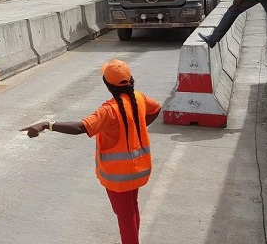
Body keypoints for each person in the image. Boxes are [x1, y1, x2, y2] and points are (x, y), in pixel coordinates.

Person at [20, 59, 161, 244]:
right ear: (130, 80)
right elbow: (156, 108)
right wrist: (138, 127)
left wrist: (47, 124)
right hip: (138, 171)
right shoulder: (139, 99)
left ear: (107, 85)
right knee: (131, 211)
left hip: (119, 176)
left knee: (125, 218)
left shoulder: (109, 110)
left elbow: (81, 127)